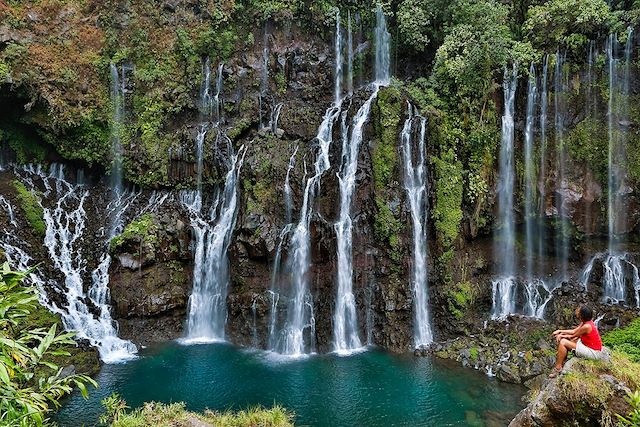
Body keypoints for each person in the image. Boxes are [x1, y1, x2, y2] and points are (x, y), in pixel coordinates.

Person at [549, 305, 603, 378]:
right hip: (590, 346)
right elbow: (574, 331)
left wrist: (561, 335)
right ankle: (562, 361)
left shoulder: (586, 326)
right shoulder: (586, 322)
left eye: (579, 312)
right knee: (572, 340)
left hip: (593, 353)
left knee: (563, 342)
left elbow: (573, 335)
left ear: (582, 315)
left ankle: (558, 368)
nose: (577, 313)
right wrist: (560, 331)